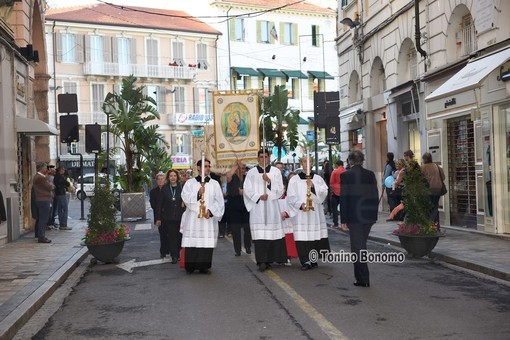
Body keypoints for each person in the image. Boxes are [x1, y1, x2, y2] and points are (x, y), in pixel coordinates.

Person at [243, 149, 287, 272]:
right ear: (257, 158)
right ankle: (261, 261)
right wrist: (258, 196)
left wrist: (269, 182)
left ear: (269, 158)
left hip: (271, 206)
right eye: (261, 157)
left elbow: (280, 189)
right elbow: (247, 189)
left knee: (271, 234)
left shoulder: (275, 172)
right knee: (260, 236)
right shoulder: (251, 173)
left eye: (265, 156)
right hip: (257, 208)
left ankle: (270, 260)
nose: (263, 159)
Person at [340, 150, 379, 287]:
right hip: (368, 215)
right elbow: (375, 195)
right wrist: (374, 214)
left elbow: (344, 198)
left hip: (354, 217)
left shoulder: (346, 175)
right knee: (360, 246)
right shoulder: (370, 174)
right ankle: (360, 277)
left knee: (358, 247)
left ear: (350, 161)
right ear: (362, 161)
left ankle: (363, 278)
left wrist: (343, 219)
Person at [181, 158, 225, 274]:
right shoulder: (190, 183)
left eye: (209, 166)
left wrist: (210, 212)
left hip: (207, 219)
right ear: (199, 168)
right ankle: (190, 266)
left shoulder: (214, 184)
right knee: (193, 241)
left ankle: (204, 266)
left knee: (206, 241)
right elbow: (185, 197)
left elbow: (219, 202)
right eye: (205, 166)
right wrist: (198, 194)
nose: (208, 168)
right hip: (194, 219)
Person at [287, 155, 330, 270]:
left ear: (312, 164)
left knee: (313, 236)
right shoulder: (294, 180)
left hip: (314, 213)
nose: (307, 163)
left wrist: (313, 186)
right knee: (302, 237)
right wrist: (300, 205)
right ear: (302, 164)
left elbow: (324, 192)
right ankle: (305, 261)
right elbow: (290, 196)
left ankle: (313, 259)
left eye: (309, 161)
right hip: (301, 213)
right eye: (304, 161)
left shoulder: (317, 178)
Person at [155, 169, 186, 263]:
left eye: (174, 176)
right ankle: (174, 256)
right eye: (171, 176)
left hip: (180, 216)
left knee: (179, 236)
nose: (173, 178)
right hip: (168, 217)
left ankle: (178, 252)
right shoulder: (164, 188)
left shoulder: (181, 187)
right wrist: (158, 218)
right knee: (172, 236)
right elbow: (159, 204)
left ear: (177, 177)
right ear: (168, 177)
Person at [226, 160, 252, 256]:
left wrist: (244, 192)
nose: (242, 170)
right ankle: (237, 250)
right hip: (234, 206)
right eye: (240, 168)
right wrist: (236, 165)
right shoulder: (232, 177)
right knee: (235, 230)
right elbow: (228, 175)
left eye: (243, 168)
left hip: (246, 206)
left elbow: (252, 190)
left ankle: (248, 246)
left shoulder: (247, 178)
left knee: (248, 228)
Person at [421, 152, 445, 231]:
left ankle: (429, 227)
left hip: (428, 190)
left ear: (424, 159)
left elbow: (419, 179)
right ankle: (436, 227)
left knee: (428, 209)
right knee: (435, 208)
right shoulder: (437, 166)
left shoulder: (423, 167)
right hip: (438, 189)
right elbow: (443, 177)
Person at [150, 172, 169, 258]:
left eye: (162, 179)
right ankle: (163, 251)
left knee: (171, 234)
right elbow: (153, 205)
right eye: (159, 179)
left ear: (165, 180)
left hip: (169, 216)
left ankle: (171, 250)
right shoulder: (153, 192)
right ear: (156, 181)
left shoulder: (168, 189)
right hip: (159, 217)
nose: (161, 181)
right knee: (162, 234)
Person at [33, 162, 54, 244]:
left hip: (41, 199)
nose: (47, 170)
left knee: (42, 218)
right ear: (42, 169)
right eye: (46, 168)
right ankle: (41, 237)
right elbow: (49, 187)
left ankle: (40, 235)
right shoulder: (41, 178)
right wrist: (50, 184)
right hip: (43, 199)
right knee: (43, 219)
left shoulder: (38, 177)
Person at [53, 166, 72, 230]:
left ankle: (61, 224)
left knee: (60, 209)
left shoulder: (56, 176)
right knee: (65, 209)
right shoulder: (60, 177)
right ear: (60, 170)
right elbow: (67, 183)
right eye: (63, 170)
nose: (64, 171)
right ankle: (63, 224)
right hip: (61, 194)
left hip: (57, 194)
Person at [329, 159, 346, 229]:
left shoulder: (335, 172)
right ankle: (344, 223)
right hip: (344, 192)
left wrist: (332, 190)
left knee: (335, 209)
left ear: (337, 165)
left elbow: (331, 182)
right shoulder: (346, 171)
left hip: (335, 192)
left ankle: (335, 223)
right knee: (344, 208)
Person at [46, 165, 58, 230]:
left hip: (52, 195)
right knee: (50, 210)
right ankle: (49, 223)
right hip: (50, 195)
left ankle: (51, 222)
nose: (55, 171)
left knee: (52, 209)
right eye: (53, 170)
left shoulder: (50, 177)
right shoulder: (49, 177)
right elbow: (51, 186)